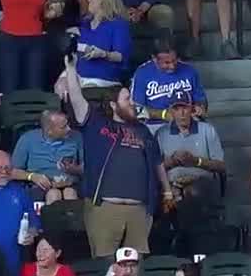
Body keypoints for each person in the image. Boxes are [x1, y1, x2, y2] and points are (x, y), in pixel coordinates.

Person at [57, 52, 172, 257]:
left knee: (136, 268)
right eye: (127, 99)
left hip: (139, 210)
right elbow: (76, 98)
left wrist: (167, 192)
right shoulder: (96, 124)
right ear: (113, 105)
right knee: (105, 265)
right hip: (105, 208)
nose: (133, 103)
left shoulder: (143, 131)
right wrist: (72, 69)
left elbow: (157, 162)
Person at [157, 91, 226, 222]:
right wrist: (173, 161)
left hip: (201, 183)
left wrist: (196, 161)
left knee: (192, 193)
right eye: (177, 109)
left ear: (192, 109)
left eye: (185, 108)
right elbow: (155, 167)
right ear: (171, 111)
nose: (181, 113)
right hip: (172, 183)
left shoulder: (207, 130)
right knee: (171, 195)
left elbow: (221, 166)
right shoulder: (162, 134)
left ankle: (190, 236)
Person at [132, 38, 208, 130]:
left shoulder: (189, 70)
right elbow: (136, 110)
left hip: (187, 123)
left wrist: (200, 107)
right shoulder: (142, 73)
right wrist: (163, 114)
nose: (172, 66)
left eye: (174, 60)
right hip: (156, 125)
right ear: (154, 59)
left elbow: (201, 100)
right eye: (166, 63)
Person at [11, 109, 82, 205]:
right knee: (54, 194)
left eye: (68, 124)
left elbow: (89, 168)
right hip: (39, 186)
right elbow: (12, 172)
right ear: (49, 131)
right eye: (63, 127)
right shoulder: (27, 139)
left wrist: (74, 169)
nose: (69, 129)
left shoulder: (77, 137)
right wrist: (32, 176)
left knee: (70, 193)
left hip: (71, 184)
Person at [74, 0, 132, 88]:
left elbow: (120, 56)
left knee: (89, 88)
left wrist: (103, 54)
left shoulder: (118, 25)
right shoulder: (85, 23)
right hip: (78, 75)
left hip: (103, 78)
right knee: (61, 85)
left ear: (105, 2)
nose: (88, 0)